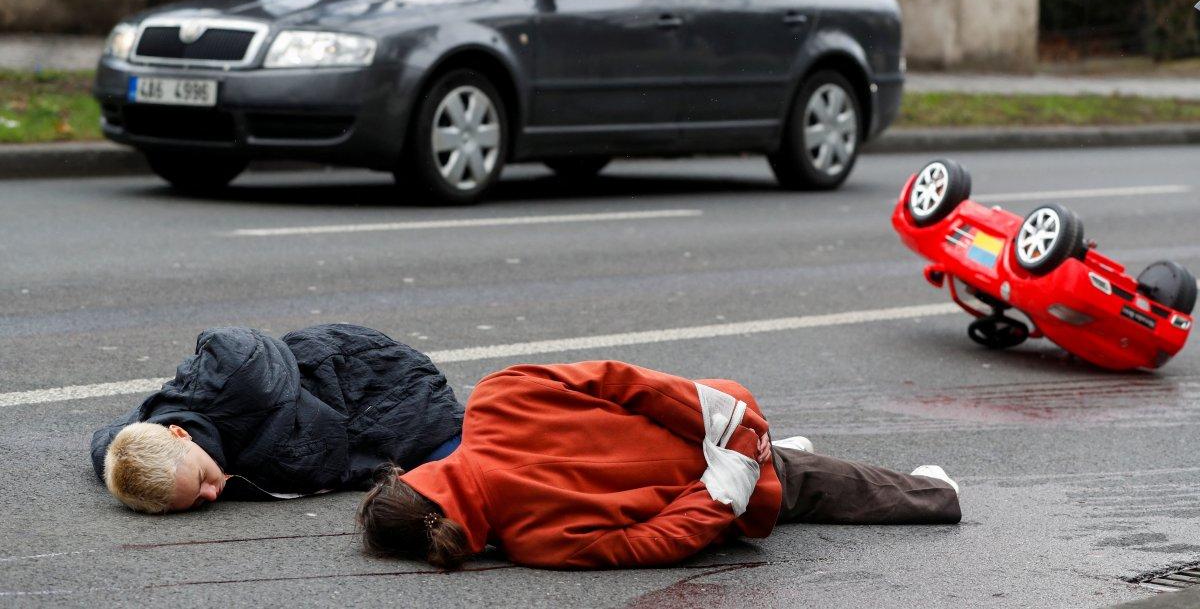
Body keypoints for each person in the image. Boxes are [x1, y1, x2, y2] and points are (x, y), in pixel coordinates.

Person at [357, 360, 961, 570]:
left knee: (804, 480)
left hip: (719, 485)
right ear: (411, 476)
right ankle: (938, 497)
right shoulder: (496, 396)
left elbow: (657, 542)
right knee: (822, 482)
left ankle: (788, 460)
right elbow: (625, 383)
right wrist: (720, 424)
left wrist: (725, 487)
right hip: (710, 429)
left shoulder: (533, 542)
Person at [92, 323, 463, 513]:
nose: (212, 492)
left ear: (180, 434)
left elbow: (235, 344)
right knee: (447, 477)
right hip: (357, 414)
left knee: (463, 461)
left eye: (203, 479)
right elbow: (108, 446)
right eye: (198, 502)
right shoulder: (135, 453)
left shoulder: (236, 376)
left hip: (373, 376)